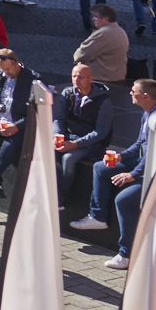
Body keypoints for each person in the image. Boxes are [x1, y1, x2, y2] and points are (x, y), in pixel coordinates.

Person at [72, 79, 156, 268]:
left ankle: (126, 255)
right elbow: (140, 144)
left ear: (145, 96)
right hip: (142, 163)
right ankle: (98, 216)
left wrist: (132, 175)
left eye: (134, 91)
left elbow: (153, 155)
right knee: (100, 168)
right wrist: (121, 157)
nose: (130, 93)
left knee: (123, 200)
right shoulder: (147, 114)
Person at [55, 62, 114, 213]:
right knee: (45, 151)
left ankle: (60, 199)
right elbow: (59, 118)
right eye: (74, 76)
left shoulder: (103, 101)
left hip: (92, 143)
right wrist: (57, 135)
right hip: (69, 136)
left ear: (90, 79)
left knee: (68, 158)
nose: (76, 80)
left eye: (80, 77)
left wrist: (75, 144)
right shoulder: (68, 93)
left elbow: (101, 132)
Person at [72, 3, 129, 84]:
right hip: (117, 75)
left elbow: (83, 54)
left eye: (96, 16)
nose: (93, 19)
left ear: (106, 19)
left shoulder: (103, 33)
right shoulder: (120, 31)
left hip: (101, 77)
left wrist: (77, 59)